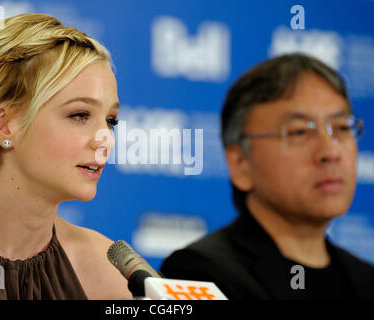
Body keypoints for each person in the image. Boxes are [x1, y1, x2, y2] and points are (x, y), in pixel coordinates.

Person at [0, 13, 132, 300]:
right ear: (3, 125)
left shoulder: (108, 271)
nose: (106, 139)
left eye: (111, 120)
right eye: (80, 115)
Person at [160, 53, 374, 299]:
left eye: (342, 128)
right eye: (299, 132)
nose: (330, 151)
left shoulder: (366, 280)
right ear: (240, 163)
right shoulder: (200, 276)